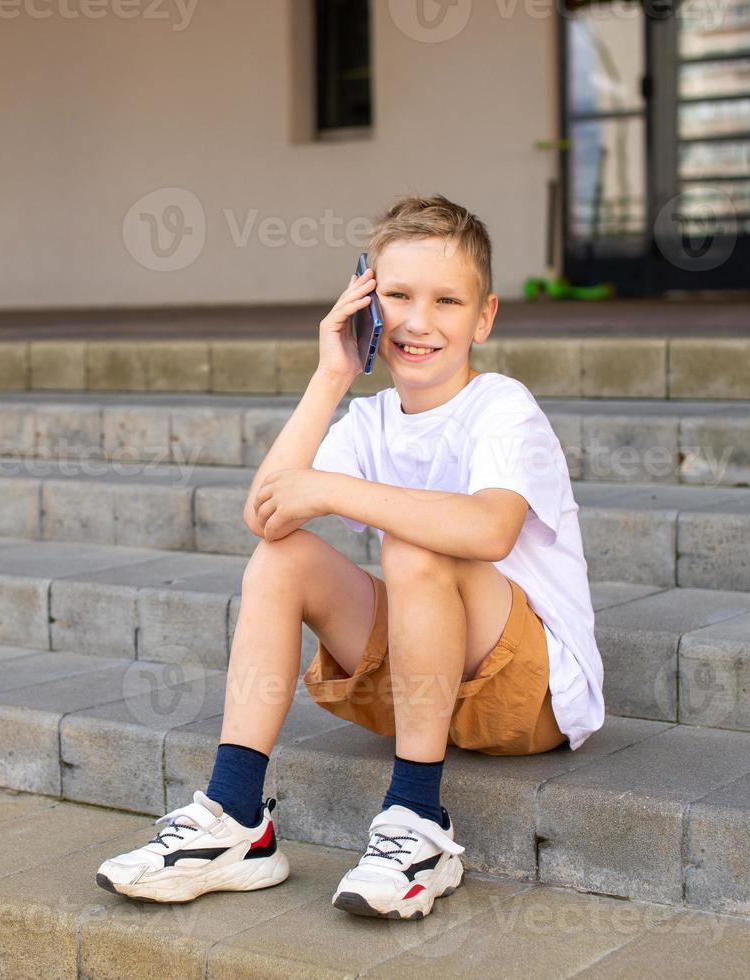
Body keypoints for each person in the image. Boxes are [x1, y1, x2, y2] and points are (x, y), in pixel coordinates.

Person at [95, 194, 603, 919]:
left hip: (527, 693)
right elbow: (264, 513)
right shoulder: (367, 419)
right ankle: (237, 820)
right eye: (396, 295)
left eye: (446, 301)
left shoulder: (501, 406)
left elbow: (490, 531)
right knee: (282, 558)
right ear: (365, 301)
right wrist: (331, 372)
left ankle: (417, 820)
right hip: (419, 685)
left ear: (483, 317)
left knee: (415, 542)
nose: (418, 321)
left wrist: (335, 488)